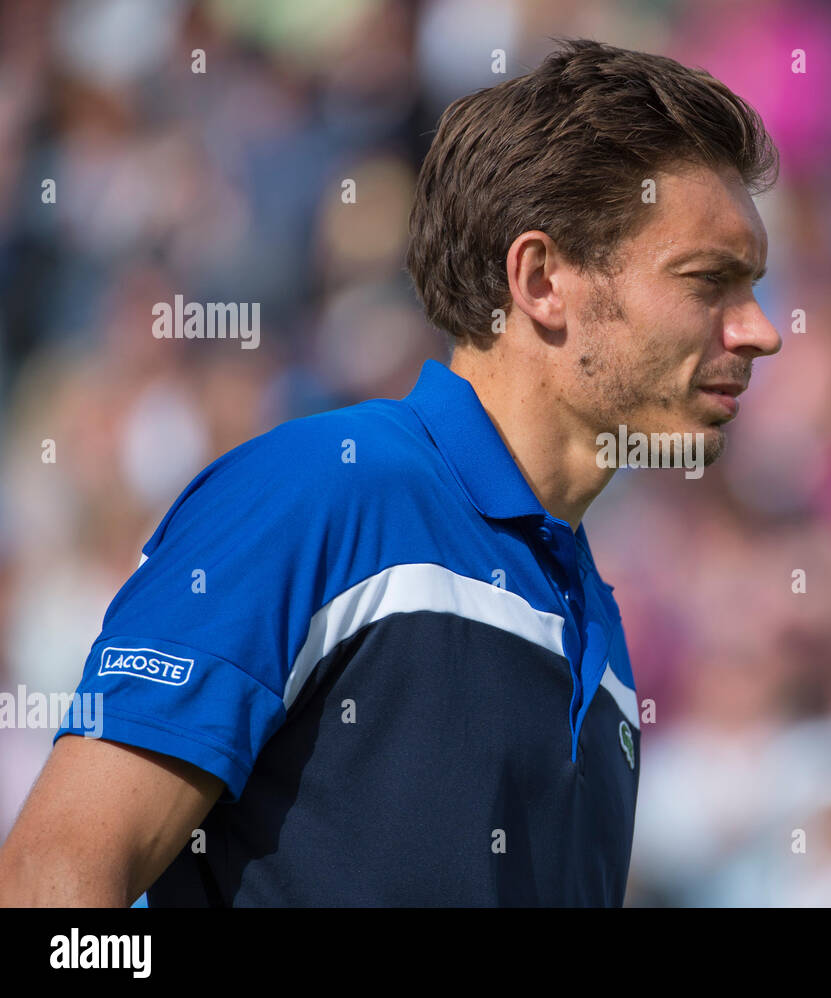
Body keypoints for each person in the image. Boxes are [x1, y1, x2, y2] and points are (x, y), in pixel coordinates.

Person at [0, 37, 781, 907]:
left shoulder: (601, 634)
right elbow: (52, 884)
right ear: (541, 279)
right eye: (711, 281)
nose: (759, 330)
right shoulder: (319, 493)